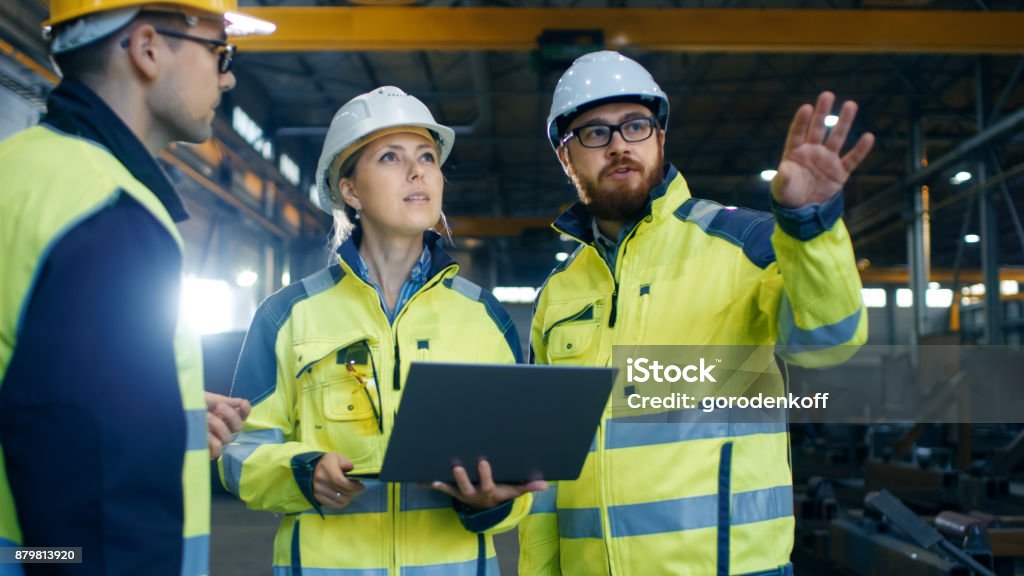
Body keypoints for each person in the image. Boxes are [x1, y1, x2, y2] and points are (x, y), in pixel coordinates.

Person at [519, 51, 874, 575]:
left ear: (660, 139)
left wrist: (809, 226)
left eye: (634, 126)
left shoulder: (745, 244)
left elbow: (831, 342)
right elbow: (544, 463)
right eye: (594, 133)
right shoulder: (559, 293)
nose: (618, 145)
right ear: (566, 158)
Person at [220, 86, 546, 575]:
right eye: (390, 157)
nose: (416, 172)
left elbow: (515, 470)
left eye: (427, 157)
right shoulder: (287, 314)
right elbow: (240, 452)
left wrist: (492, 500)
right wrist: (302, 472)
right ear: (350, 190)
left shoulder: (484, 318)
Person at [0, 2, 272, 574]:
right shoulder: (108, 212)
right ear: (148, 48)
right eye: (220, 53)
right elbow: (95, 506)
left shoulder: (20, 171)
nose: (227, 76)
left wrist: (151, 411)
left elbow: (45, 401)